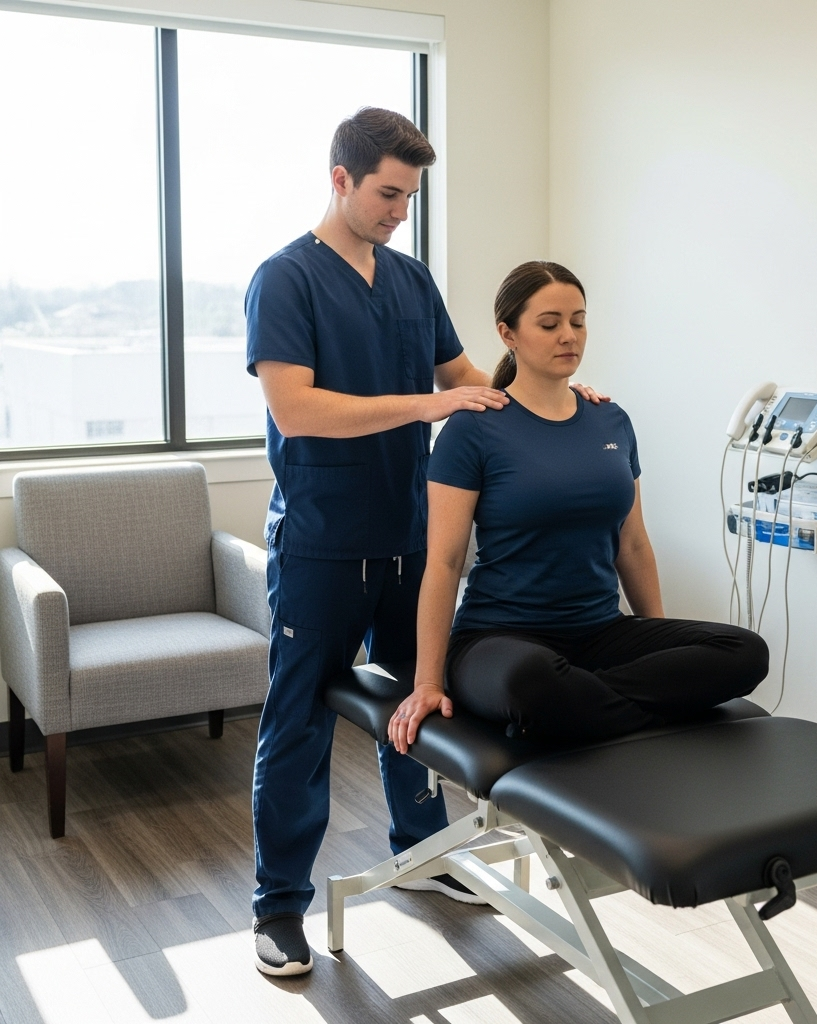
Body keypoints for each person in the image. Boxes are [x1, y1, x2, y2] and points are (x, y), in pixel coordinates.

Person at [246, 113, 605, 976]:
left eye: (409, 195)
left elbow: (469, 382)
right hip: (324, 544)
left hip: (410, 539)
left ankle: (425, 856)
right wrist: (426, 407)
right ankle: (278, 906)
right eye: (387, 193)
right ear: (341, 179)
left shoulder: (410, 281)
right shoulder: (285, 280)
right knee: (298, 724)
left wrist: (549, 391)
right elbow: (296, 408)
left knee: (424, 707)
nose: (399, 211)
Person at [388, 261, 769, 758]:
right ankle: (570, 705)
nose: (569, 335)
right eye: (549, 324)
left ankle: (572, 712)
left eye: (578, 321)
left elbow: (632, 543)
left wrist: (656, 638)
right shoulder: (473, 429)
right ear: (509, 334)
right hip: (499, 639)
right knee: (533, 681)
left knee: (745, 652)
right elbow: (443, 562)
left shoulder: (610, 420)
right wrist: (426, 682)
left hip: (600, 634)